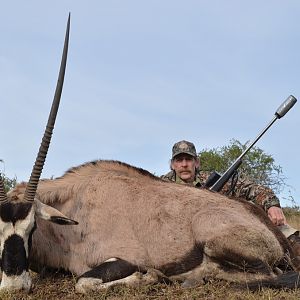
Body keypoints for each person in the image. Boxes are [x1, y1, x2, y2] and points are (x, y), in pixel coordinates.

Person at [162, 140, 300, 255]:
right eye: (179, 160)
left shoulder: (212, 180)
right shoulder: (161, 186)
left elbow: (251, 188)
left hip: (218, 233)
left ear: (196, 163)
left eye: (188, 159)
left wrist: (272, 205)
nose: (184, 164)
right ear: (173, 165)